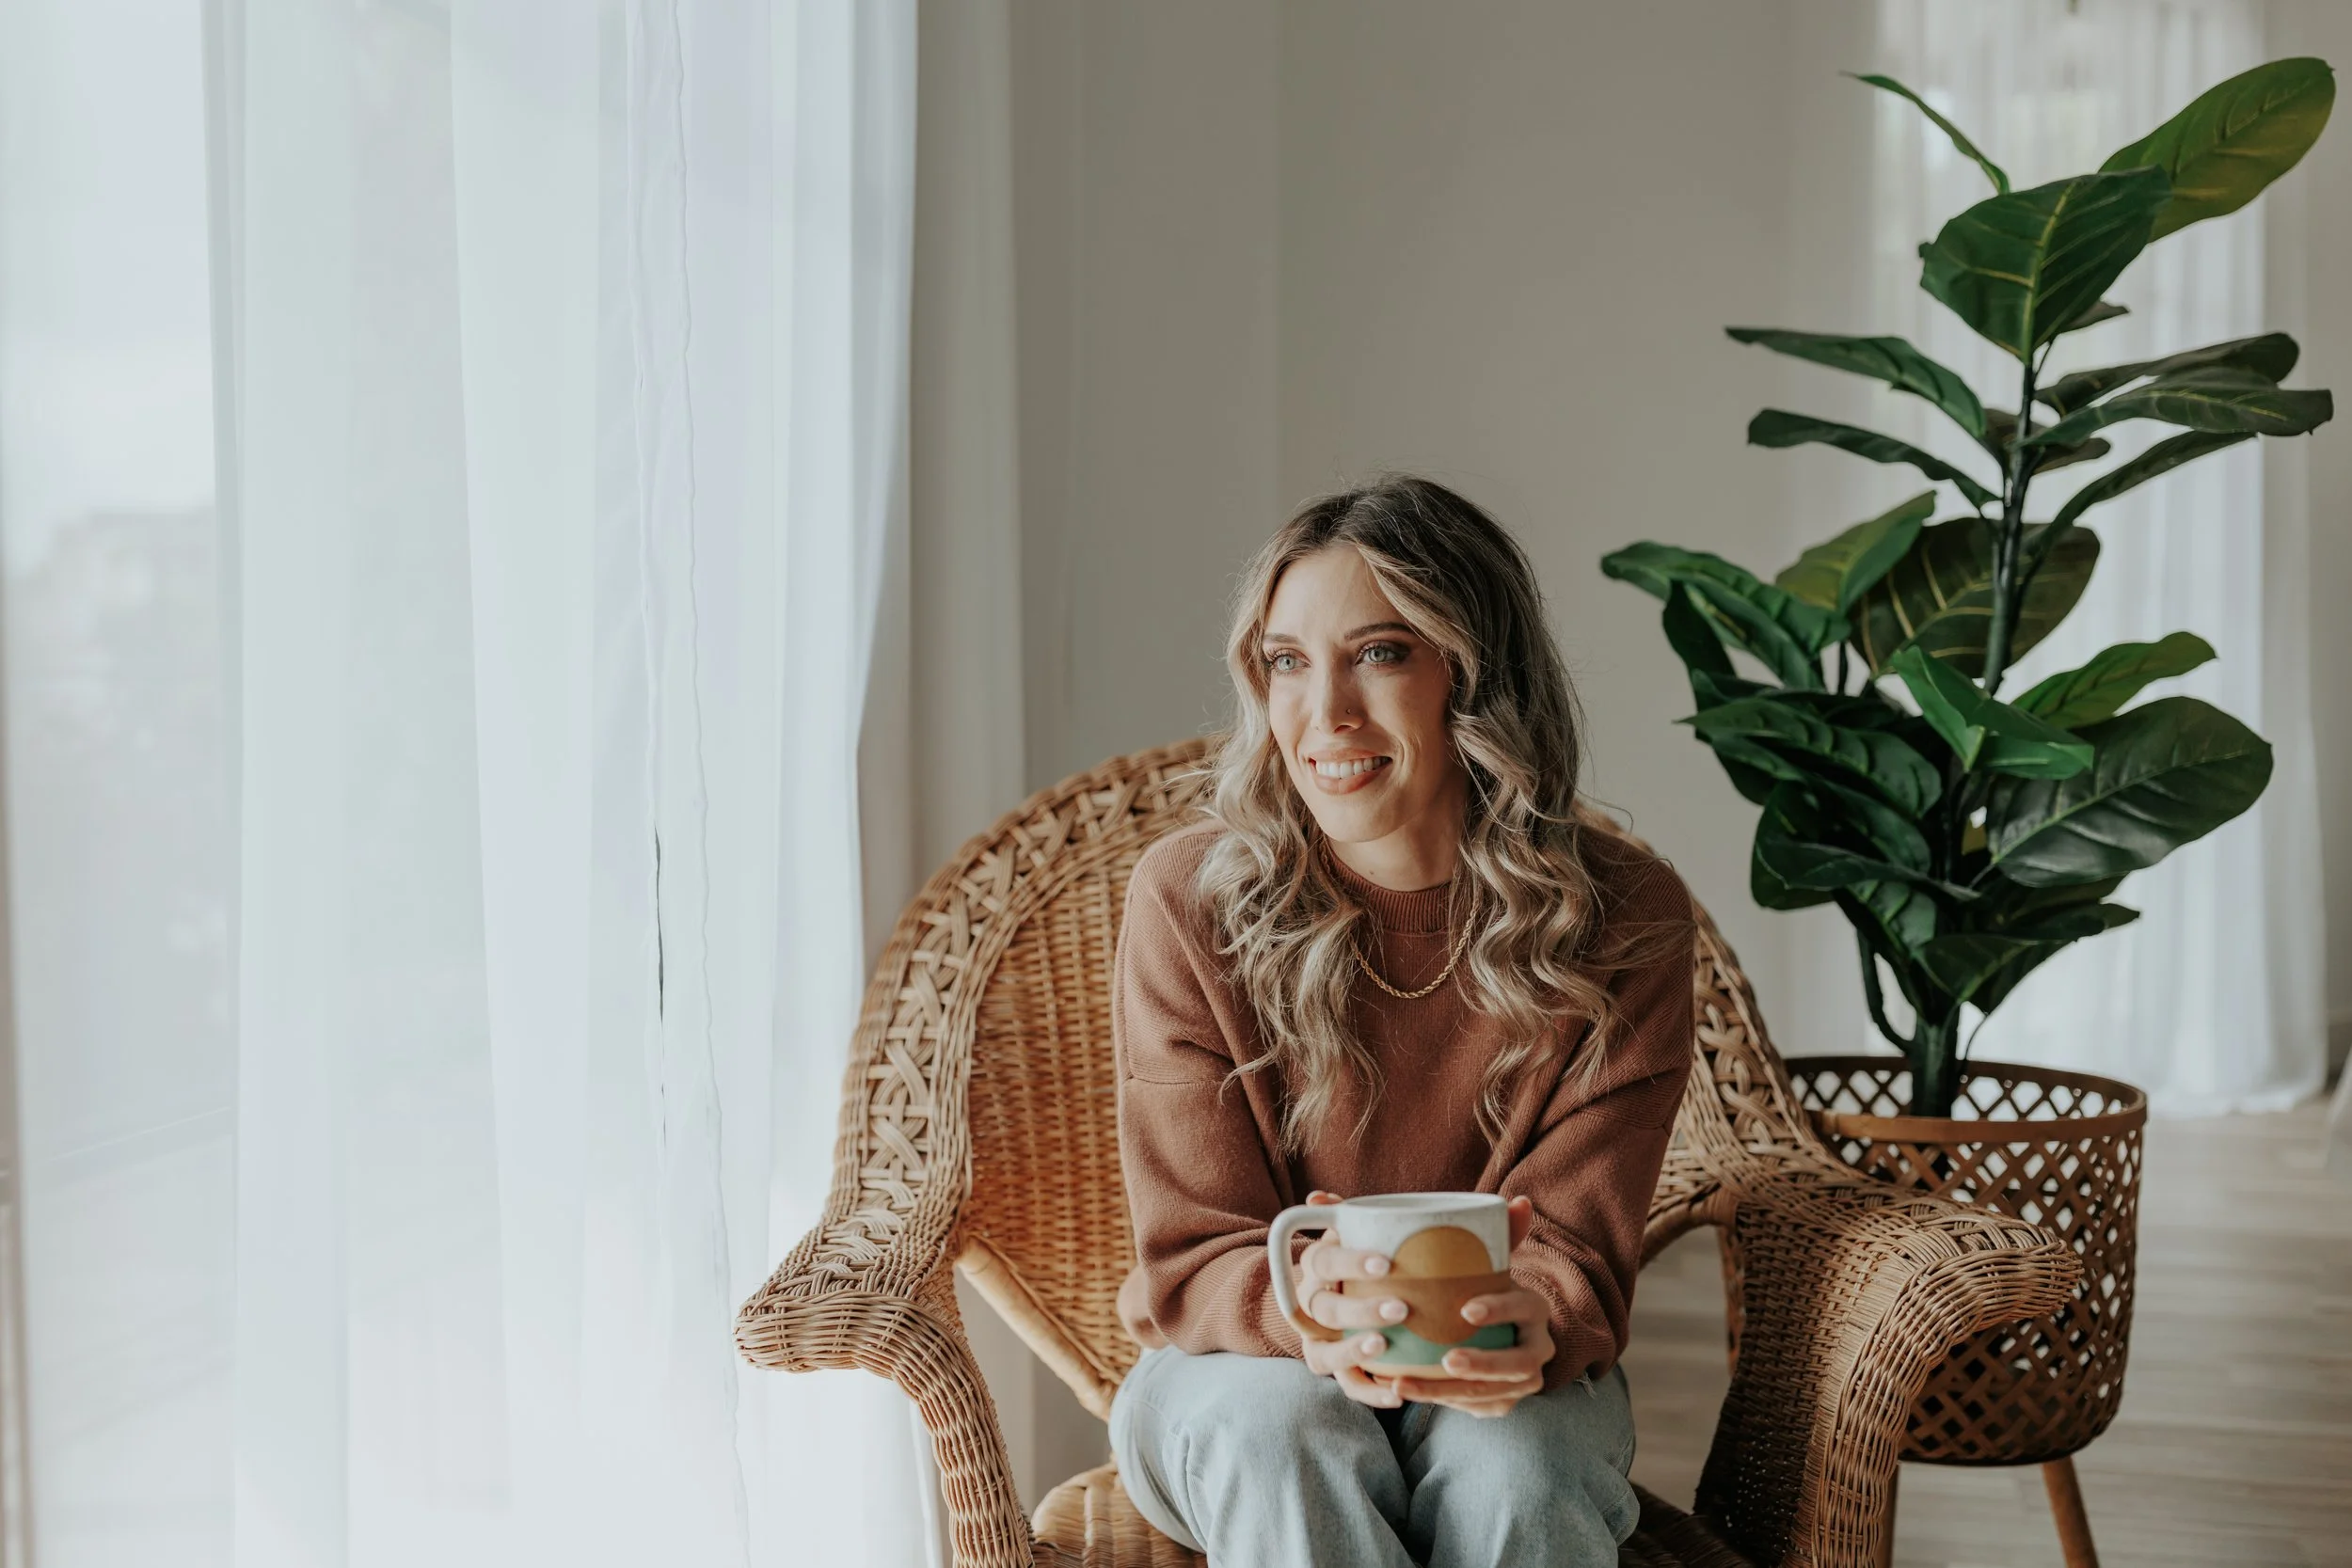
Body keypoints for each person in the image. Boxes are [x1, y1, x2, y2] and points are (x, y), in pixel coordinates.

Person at [1107, 476, 1695, 1567]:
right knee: (1289, 1432)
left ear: (1474, 675)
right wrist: (1309, 1304)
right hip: (1238, 1372)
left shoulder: (1624, 917)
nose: (1323, 715)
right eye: (1287, 661)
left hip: (1504, 1365)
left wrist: (1539, 1316)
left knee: (1519, 1469)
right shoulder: (1188, 899)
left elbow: (1577, 1246)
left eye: (1379, 653)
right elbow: (1192, 1252)